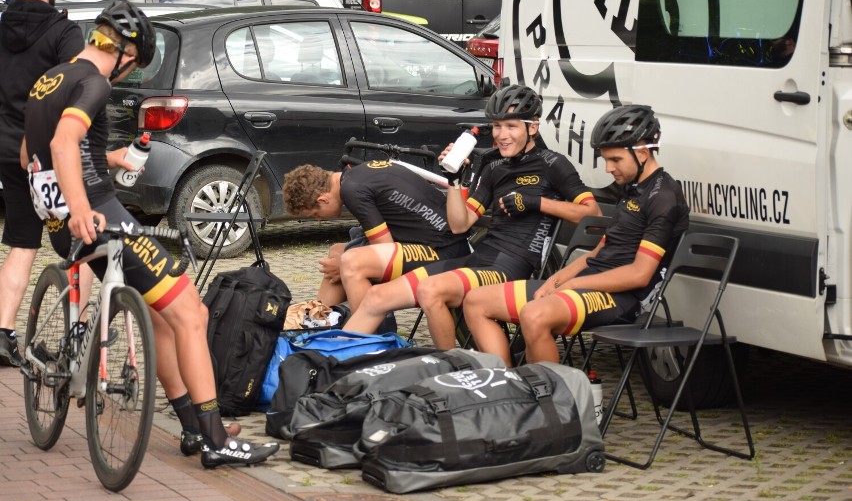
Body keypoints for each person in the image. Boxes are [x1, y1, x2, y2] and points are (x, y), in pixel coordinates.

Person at [21, 0, 278, 468]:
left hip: (59, 224)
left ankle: (191, 426)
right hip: (97, 218)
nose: (127, 75)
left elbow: (28, 154)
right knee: (190, 312)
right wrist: (82, 206)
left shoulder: (52, 78)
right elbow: (63, 142)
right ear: (124, 53)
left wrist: (108, 160)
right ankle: (216, 439)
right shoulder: (95, 82)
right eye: (134, 66)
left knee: (162, 315)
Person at [343, 85, 601, 348]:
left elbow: (593, 214)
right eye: (497, 127)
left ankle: (452, 368)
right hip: (479, 258)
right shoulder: (493, 167)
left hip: (511, 266)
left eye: (511, 127)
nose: (502, 135)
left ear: (532, 127)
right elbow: (460, 224)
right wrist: (454, 180)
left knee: (431, 291)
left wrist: (536, 202)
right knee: (377, 297)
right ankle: (336, 363)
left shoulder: (552, 163)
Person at [463, 104, 690, 366]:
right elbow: (598, 253)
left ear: (642, 152)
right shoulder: (632, 188)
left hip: (624, 299)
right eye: (606, 160)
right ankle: (506, 385)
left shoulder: (663, 197)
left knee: (534, 315)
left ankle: (551, 400)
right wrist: (556, 281)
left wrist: (574, 285)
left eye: (615, 160)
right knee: (476, 301)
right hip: (589, 283)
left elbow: (639, 274)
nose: (608, 169)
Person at [0, 0, 85, 367]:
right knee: (78, 245)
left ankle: (3, 334)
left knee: (22, 241)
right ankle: (74, 345)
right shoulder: (64, 32)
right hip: (51, 152)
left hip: (7, 149)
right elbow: (75, 85)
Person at [283, 161, 471, 314]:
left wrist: (342, 265)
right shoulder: (357, 174)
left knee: (352, 263)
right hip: (433, 239)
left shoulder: (352, 191)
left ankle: (367, 336)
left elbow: (385, 250)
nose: (317, 220)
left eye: (315, 214)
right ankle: (316, 320)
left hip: (445, 250)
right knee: (337, 251)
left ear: (323, 199)